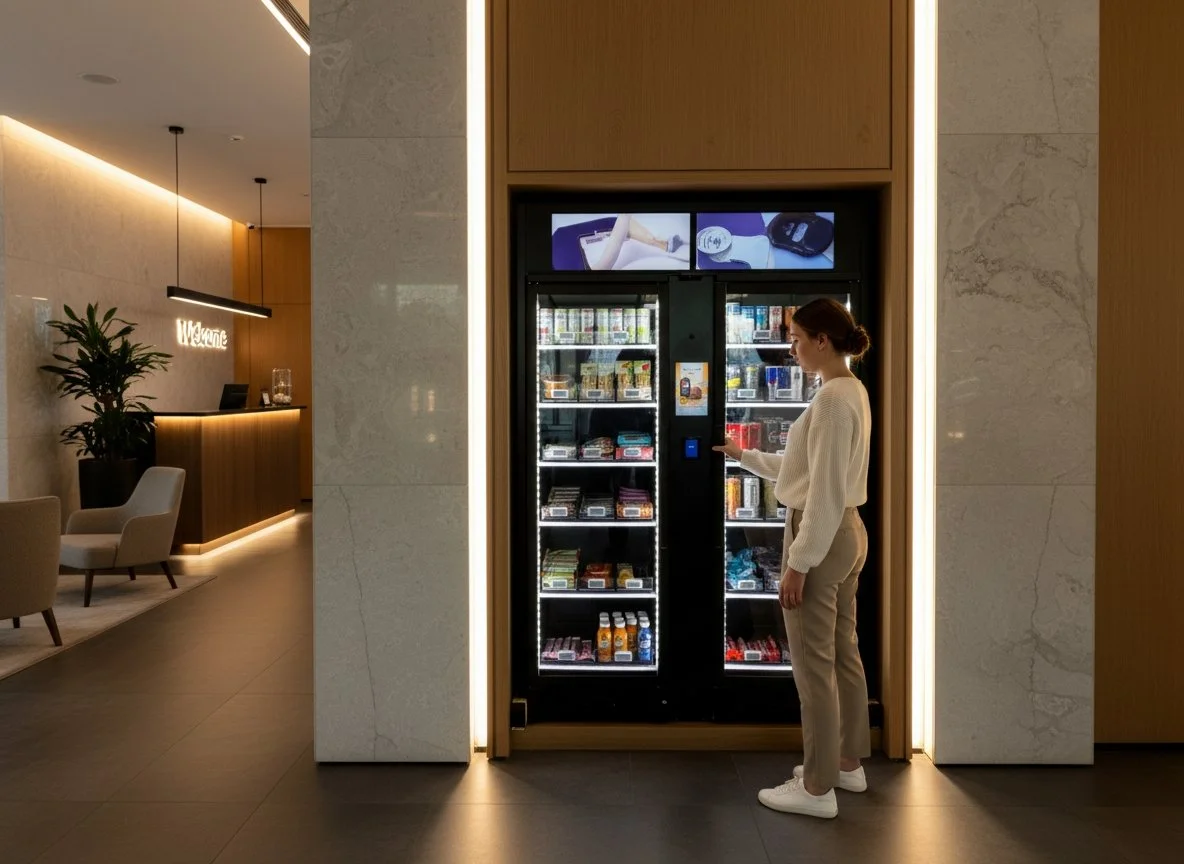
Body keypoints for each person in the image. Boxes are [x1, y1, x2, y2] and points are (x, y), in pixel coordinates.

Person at [713, 298, 872, 819]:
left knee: (812, 668)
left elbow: (820, 494)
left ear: (822, 340)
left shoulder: (829, 401)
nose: (792, 347)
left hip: (821, 535)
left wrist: (798, 563)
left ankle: (817, 788)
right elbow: (805, 468)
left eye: (798, 338)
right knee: (843, 655)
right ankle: (846, 762)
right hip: (849, 532)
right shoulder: (850, 391)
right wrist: (745, 456)